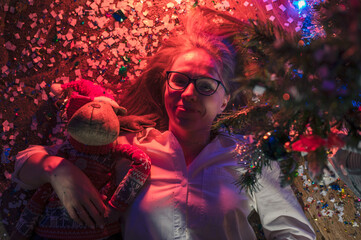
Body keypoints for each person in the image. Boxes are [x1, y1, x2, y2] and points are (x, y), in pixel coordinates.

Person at [12, 7, 316, 239]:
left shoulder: (251, 158)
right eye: (179, 80)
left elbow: (295, 231)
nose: (188, 93)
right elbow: (22, 167)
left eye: (206, 85)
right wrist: (57, 169)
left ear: (224, 100)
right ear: (165, 86)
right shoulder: (128, 149)